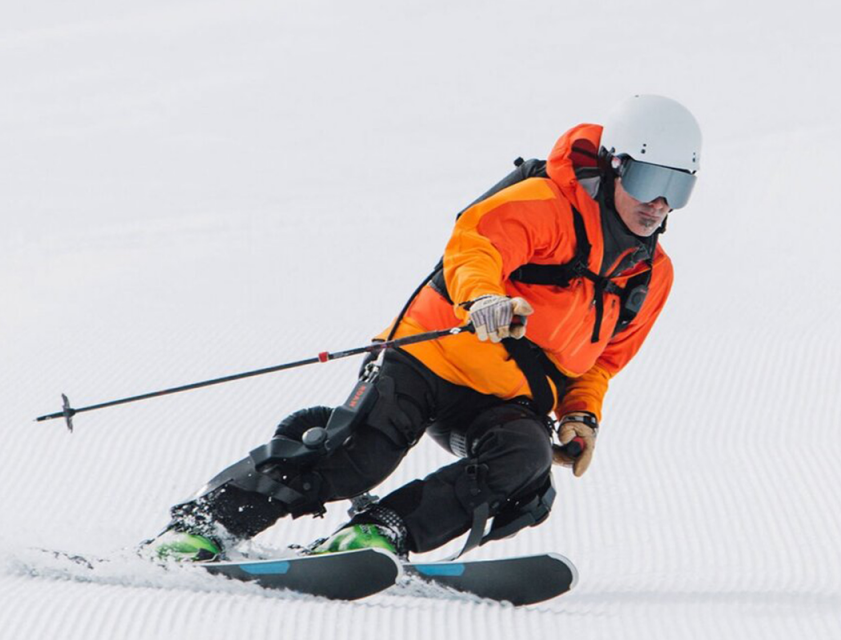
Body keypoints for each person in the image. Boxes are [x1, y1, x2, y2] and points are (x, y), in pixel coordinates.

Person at [150, 94, 702, 561]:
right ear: (614, 166)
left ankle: (378, 534)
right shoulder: (544, 206)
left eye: (677, 190)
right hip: (426, 360)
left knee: (525, 465)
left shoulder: (651, 277)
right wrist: (482, 298)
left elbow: (601, 361)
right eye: (651, 180)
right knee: (357, 459)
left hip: (501, 399)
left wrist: (582, 416)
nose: (658, 204)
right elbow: (474, 246)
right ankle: (203, 525)